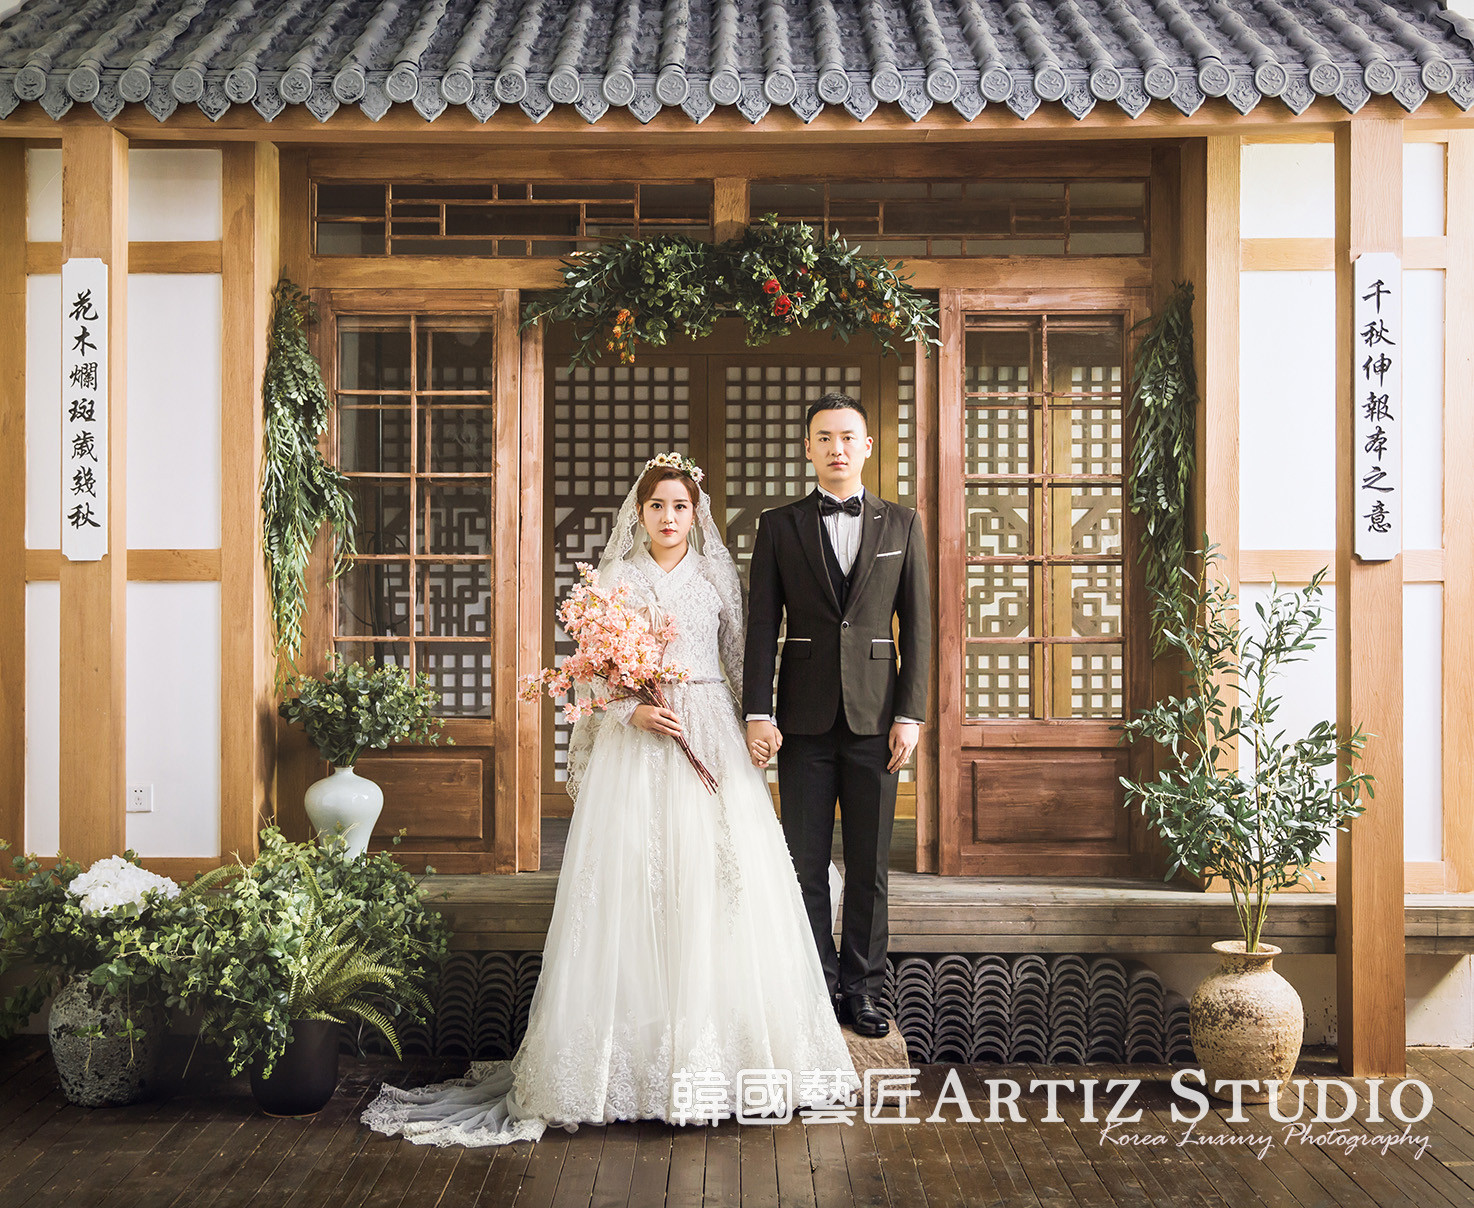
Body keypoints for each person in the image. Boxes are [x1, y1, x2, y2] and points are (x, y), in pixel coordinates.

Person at [362, 455, 859, 1146]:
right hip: (640, 740)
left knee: (719, 885)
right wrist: (632, 710)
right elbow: (592, 675)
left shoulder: (717, 575)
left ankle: (721, 1057)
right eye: (657, 506)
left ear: (695, 513)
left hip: (708, 730)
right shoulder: (617, 578)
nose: (668, 518)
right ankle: (623, 1067)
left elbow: (743, 658)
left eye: (680, 506)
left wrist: (754, 721)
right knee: (634, 886)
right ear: (639, 513)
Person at [743, 393, 931, 1041]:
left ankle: (865, 991)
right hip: (801, 721)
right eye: (824, 437)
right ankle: (816, 987)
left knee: (870, 867)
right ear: (807, 448)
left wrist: (911, 714)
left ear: (867, 446)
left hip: (878, 721)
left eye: (848, 437)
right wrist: (758, 711)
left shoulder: (902, 524)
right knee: (805, 865)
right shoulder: (779, 526)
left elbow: (919, 628)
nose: (837, 448)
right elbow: (762, 624)